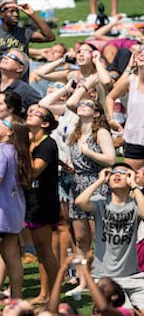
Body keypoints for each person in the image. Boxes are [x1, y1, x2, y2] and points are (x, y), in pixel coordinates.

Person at [64, 99, 115, 297]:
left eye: (88, 104)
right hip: (77, 184)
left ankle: (105, 279)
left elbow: (110, 159)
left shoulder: (100, 132)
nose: (82, 105)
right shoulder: (76, 133)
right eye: (81, 104)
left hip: (97, 183)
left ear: (95, 113)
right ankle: (84, 281)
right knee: (80, 238)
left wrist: (87, 151)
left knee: (98, 235)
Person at [75, 164, 144, 308]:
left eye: (123, 173)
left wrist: (135, 186)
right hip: (105, 276)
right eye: (113, 173)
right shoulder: (101, 203)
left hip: (132, 275)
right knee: (124, 313)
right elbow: (80, 202)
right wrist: (100, 181)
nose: (117, 175)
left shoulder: (135, 205)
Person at [0, 118, 31, 302]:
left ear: (10, 132)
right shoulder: (18, 151)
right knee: (13, 259)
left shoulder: (2, 151)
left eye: (2, 122)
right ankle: (17, 299)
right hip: (15, 213)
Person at [0, 0, 55, 86]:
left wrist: (32, 14)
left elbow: (50, 37)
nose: (15, 15)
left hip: (20, 83)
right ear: (1, 15)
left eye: (17, 12)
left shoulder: (24, 33)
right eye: (11, 11)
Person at [24, 105, 62, 304]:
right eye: (29, 112)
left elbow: (34, 171)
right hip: (31, 201)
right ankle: (44, 293)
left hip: (43, 203)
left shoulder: (48, 144)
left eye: (36, 113)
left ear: (45, 123)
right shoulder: (29, 142)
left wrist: (21, 153)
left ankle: (54, 293)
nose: (30, 114)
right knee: (39, 250)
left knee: (45, 250)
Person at [107, 47, 144, 172]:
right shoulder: (131, 80)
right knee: (134, 182)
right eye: (139, 53)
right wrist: (111, 118)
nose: (141, 55)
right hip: (135, 139)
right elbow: (111, 96)